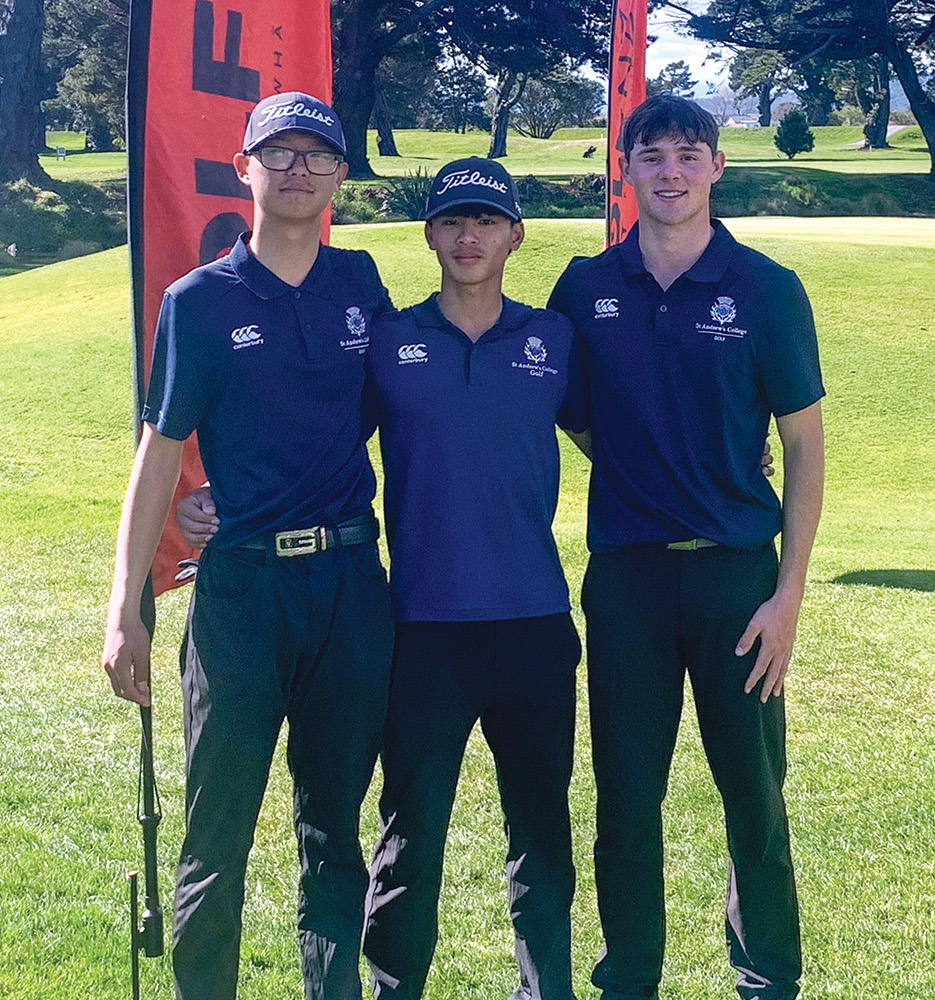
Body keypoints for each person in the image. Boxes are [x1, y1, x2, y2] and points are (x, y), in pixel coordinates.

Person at [177, 158, 584, 1000]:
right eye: (450, 221)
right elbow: (303, 419)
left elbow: (620, 431)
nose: (468, 236)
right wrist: (216, 498)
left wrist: (734, 458)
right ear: (429, 234)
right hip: (421, 629)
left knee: (543, 832)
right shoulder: (392, 342)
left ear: (516, 234)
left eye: (486, 220)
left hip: (536, 624)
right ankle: (396, 987)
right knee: (409, 836)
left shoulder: (554, 341)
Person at [100, 92, 395, 1000]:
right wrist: (125, 606)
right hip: (240, 598)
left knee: (332, 835)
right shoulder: (199, 301)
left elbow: (405, 416)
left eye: (318, 154)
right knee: (216, 836)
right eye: (281, 153)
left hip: (350, 586)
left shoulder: (362, 285)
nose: (299, 168)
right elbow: (157, 457)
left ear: (341, 175)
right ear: (246, 170)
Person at [546, 94, 826, 1000]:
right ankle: (629, 979)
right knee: (627, 802)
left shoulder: (766, 289)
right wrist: (643, 471)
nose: (670, 171)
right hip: (626, 581)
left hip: (738, 582)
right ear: (623, 168)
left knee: (754, 797)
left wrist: (787, 599)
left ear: (715, 166)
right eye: (652, 154)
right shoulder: (586, 289)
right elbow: (579, 421)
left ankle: (766, 978)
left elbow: (805, 450)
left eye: (688, 154)